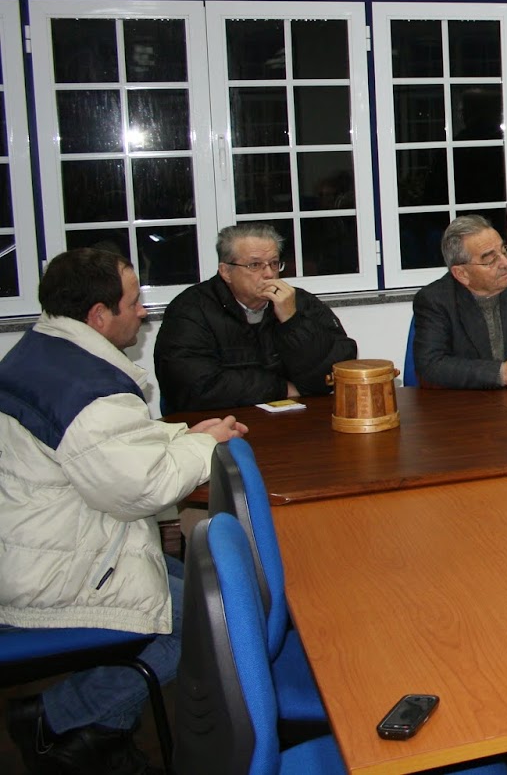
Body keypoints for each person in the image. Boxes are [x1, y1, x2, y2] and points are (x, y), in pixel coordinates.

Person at [1, 248, 248, 775]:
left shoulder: (48, 353)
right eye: (134, 302)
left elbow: (109, 448)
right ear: (98, 314)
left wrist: (183, 435)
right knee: (215, 618)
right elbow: (146, 488)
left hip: (47, 541)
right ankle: (58, 717)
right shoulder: (86, 391)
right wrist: (205, 446)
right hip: (50, 567)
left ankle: (95, 736)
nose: (143, 311)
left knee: (209, 584)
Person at [154, 224, 357, 412]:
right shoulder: (190, 309)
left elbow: (339, 366)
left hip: (293, 421)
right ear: (226, 271)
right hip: (217, 425)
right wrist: (281, 388)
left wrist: (292, 321)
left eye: (274, 263)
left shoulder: (299, 301)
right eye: (255, 265)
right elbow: (193, 387)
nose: (268, 274)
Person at [411, 215, 507, 389]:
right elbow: (431, 365)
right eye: (490, 260)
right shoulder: (435, 300)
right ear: (462, 274)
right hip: (464, 401)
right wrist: (500, 373)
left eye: (504, 251)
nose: (505, 263)